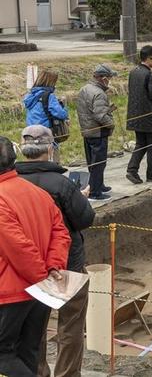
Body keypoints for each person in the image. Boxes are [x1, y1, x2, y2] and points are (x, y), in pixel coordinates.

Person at [16, 126, 94, 377]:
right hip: (67, 262)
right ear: (50, 148)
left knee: (35, 327)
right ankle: (67, 373)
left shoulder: (13, 183)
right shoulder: (61, 183)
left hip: (29, 266)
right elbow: (84, 218)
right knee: (70, 326)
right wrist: (81, 197)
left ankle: (39, 372)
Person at [0, 136, 71, 377]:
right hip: (40, 289)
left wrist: (42, 275)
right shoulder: (37, 193)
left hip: (11, 293)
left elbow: (18, 248)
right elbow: (60, 233)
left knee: (4, 355)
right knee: (27, 352)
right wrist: (52, 268)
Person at [125, 45, 152, 185]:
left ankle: (132, 169)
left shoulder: (133, 72)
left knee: (141, 144)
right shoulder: (149, 74)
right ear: (149, 59)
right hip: (150, 115)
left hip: (136, 115)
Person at [76, 65, 117, 200]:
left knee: (92, 161)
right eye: (109, 78)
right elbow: (100, 115)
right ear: (103, 78)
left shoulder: (84, 89)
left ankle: (98, 184)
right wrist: (111, 124)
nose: (110, 81)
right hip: (98, 132)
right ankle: (94, 192)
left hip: (87, 130)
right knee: (99, 163)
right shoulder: (99, 93)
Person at [23, 70, 69, 165]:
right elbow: (60, 114)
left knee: (34, 159)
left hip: (30, 133)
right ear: (51, 82)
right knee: (52, 161)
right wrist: (64, 107)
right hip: (45, 133)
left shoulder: (29, 96)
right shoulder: (49, 96)